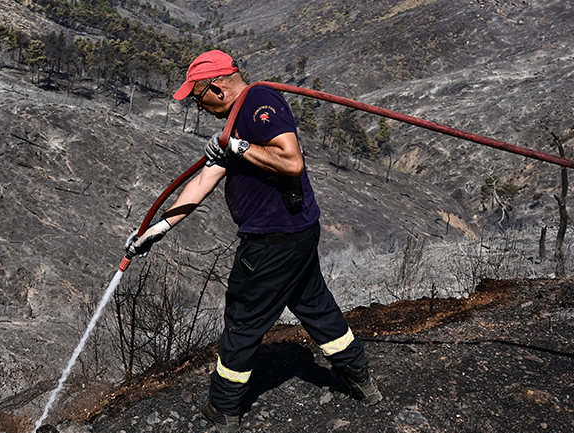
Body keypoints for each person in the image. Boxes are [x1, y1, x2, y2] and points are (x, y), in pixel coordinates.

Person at [125, 50, 382, 432]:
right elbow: (203, 181)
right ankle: (361, 381)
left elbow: (292, 162)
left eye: (198, 99)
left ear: (217, 88)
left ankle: (224, 407)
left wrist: (238, 146)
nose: (198, 108)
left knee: (244, 321)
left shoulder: (261, 103)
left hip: (271, 243)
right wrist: (158, 230)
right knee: (315, 306)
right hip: (296, 235)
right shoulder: (234, 118)